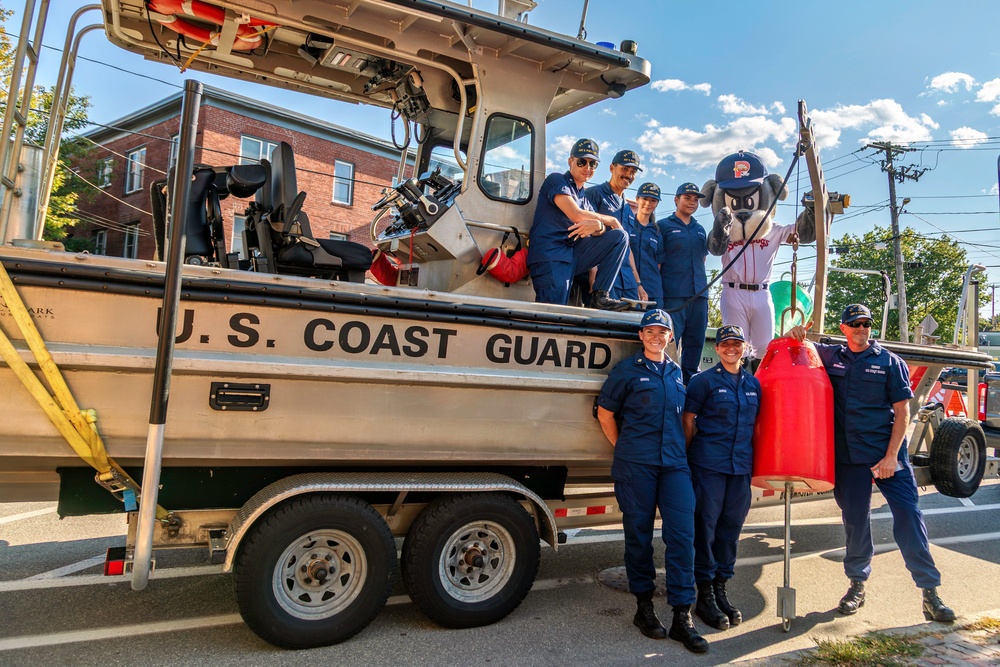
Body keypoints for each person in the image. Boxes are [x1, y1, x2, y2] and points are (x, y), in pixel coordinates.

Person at [787, 305, 955, 623]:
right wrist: (796, 334)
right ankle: (857, 586)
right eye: (855, 323)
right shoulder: (830, 355)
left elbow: (903, 412)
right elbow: (795, 347)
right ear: (844, 327)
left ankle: (930, 592)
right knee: (855, 522)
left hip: (887, 455)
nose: (862, 328)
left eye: (866, 323)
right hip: (849, 458)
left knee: (908, 517)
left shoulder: (890, 362)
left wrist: (891, 457)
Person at [596, 309, 708, 653]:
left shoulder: (677, 374)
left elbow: (686, 422)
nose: (657, 336)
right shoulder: (627, 371)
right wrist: (625, 448)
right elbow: (605, 413)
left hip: (674, 466)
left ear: (670, 337)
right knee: (639, 538)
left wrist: (678, 450)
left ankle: (681, 616)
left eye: (663, 331)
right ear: (641, 336)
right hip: (637, 467)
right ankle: (644, 608)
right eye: (650, 331)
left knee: (682, 537)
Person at [682, 325, 761, 631]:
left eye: (736, 343)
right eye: (725, 343)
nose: (731, 347)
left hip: (740, 469)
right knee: (706, 528)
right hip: (708, 466)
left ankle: (720, 589)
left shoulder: (754, 385)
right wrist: (688, 462)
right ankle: (703, 594)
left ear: (744, 347)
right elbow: (688, 421)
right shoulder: (703, 382)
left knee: (730, 529)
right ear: (717, 348)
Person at [526, 138, 630, 310]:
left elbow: (594, 229)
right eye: (582, 162)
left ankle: (600, 295)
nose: (587, 168)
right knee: (553, 314)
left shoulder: (584, 197)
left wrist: (598, 226)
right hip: (552, 256)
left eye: (592, 164)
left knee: (620, 236)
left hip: (572, 255)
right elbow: (576, 214)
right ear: (570, 161)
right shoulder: (557, 181)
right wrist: (609, 220)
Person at [659, 182, 708, 383]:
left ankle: (690, 384)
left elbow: (702, 259)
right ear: (676, 199)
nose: (692, 202)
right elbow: (658, 263)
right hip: (674, 296)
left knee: (695, 342)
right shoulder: (663, 226)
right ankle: (668, 383)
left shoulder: (700, 229)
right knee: (670, 342)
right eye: (687, 198)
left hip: (699, 295)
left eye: (696, 199)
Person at [584, 150, 645, 304]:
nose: (628, 175)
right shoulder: (594, 194)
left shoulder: (628, 208)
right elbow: (586, 233)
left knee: (629, 324)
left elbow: (627, 247)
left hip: (627, 280)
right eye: (624, 169)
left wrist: (637, 283)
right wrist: (593, 270)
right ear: (612, 168)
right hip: (605, 277)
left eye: (633, 172)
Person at [631, 183, 665, 309]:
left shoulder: (657, 232)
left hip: (653, 290)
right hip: (630, 287)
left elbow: (659, 264)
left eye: (653, 200)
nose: (648, 203)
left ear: (657, 204)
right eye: (645, 198)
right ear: (637, 199)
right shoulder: (628, 225)